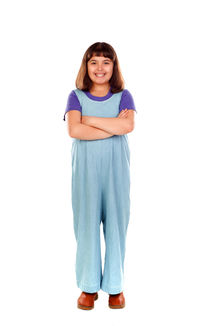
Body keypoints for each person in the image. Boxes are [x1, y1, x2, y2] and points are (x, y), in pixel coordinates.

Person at [63, 42, 137, 310]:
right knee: (86, 226)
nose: (100, 68)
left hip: (116, 173)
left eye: (106, 62)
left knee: (117, 225)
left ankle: (115, 287)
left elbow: (127, 125)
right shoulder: (76, 96)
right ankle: (88, 285)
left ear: (114, 66)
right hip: (85, 174)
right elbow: (74, 131)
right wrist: (112, 127)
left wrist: (89, 119)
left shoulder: (124, 96)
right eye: (94, 62)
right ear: (86, 66)